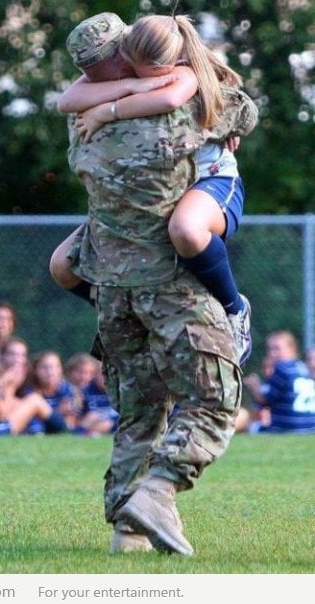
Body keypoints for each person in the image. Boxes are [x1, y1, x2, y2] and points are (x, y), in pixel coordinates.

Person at [57, 12, 254, 555]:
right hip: (170, 280)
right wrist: (225, 125)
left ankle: (129, 527)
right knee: (213, 400)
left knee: (141, 405)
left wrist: (112, 101)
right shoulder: (183, 105)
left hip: (112, 285)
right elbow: (242, 108)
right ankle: (159, 493)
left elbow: (71, 100)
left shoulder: (81, 124)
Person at [55, 14, 257, 364]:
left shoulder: (179, 71)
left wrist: (109, 111)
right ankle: (136, 314)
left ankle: (234, 310)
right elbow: (66, 101)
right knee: (62, 266)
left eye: (99, 67)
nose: (93, 77)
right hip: (145, 203)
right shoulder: (133, 63)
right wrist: (134, 86)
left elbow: (170, 100)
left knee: (186, 230)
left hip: (210, 181)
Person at [240, 331, 315, 434]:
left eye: (277, 349)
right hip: (309, 428)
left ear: (291, 349)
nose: (272, 353)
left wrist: (256, 388)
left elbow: (265, 401)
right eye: (270, 349)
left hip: (286, 428)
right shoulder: (304, 369)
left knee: (247, 425)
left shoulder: (282, 368)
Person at [30, 350, 81, 431]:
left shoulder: (67, 389)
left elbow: (71, 416)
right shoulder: (31, 390)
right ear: (36, 370)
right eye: (44, 367)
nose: (50, 372)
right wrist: (58, 411)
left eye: (55, 367)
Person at [77, 360, 119, 436]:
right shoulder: (84, 392)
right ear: (95, 374)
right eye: (102, 373)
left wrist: (111, 425)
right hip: (88, 430)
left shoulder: (121, 391)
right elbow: (76, 419)